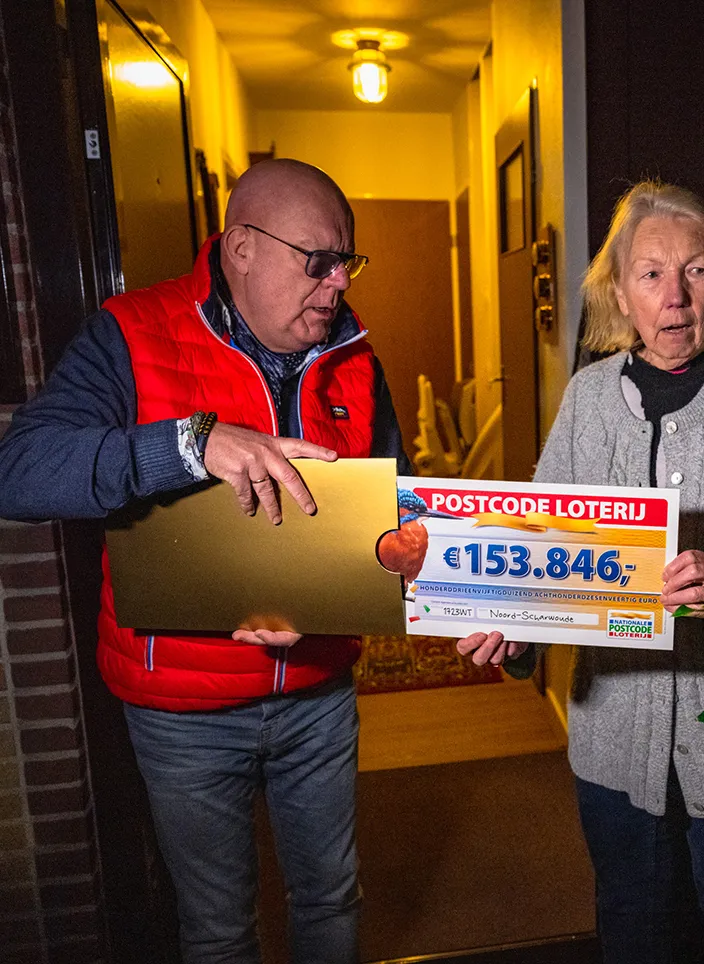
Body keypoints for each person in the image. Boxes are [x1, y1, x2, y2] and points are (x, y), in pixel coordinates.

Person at [0, 159, 409, 964]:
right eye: (316, 260)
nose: (336, 285)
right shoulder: (130, 332)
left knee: (331, 898)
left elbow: (397, 513)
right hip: (181, 710)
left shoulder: (356, 357)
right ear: (241, 249)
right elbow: (19, 470)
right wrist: (188, 444)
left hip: (318, 692)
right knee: (220, 930)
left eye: (346, 262)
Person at [458, 181, 704, 964]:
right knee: (635, 934)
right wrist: (509, 623)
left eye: (696, 271)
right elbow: (539, 550)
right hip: (614, 741)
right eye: (652, 274)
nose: (676, 295)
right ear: (619, 293)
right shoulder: (589, 398)